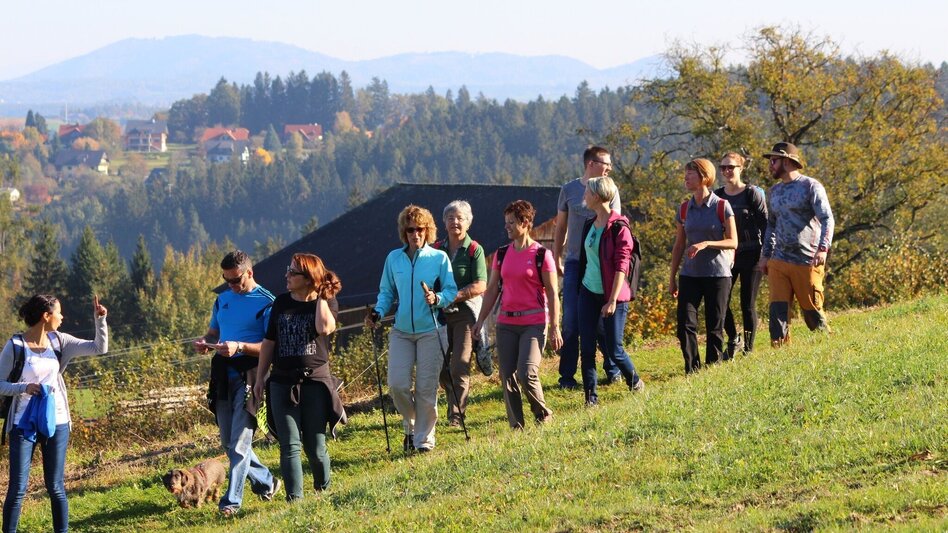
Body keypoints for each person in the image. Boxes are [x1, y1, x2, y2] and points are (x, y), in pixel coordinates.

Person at [1, 294, 108, 533]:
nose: (62, 317)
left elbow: (99, 348)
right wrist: (23, 388)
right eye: (58, 312)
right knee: (18, 488)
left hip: (56, 421)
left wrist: (100, 320)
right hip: (22, 424)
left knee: (56, 487)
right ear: (45, 316)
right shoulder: (15, 346)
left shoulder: (60, 341)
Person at [254, 253, 346, 498]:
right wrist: (261, 378)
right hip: (282, 382)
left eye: (293, 272)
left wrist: (321, 298)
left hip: (315, 383)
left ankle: (322, 491)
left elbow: (324, 328)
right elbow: (269, 341)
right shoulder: (281, 303)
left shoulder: (327, 302)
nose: (287, 275)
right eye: (288, 270)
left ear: (309, 278)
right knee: (289, 445)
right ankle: (295, 500)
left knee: (315, 446)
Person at [365, 205, 457, 453]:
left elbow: (450, 290)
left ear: (427, 231)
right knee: (397, 385)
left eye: (419, 229)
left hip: (432, 330)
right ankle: (412, 423)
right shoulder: (393, 258)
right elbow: (386, 293)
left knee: (426, 389)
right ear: (403, 232)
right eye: (410, 230)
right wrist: (378, 312)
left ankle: (423, 442)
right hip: (402, 332)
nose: (415, 234)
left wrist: (436, 299)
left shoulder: (439, 258)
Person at [195, 250, 280, 516]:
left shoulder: (267, 302)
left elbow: (270, 346)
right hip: (222, 373)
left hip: (251, 374)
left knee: (241, 444)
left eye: (236, 280)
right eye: (226, 280)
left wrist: (240, 346)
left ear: (249, 273)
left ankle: (231, 502)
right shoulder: (223, 300)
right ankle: (267, 481)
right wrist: (205, 343)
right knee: (228, 443)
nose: (231, 285)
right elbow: (214, 331)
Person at [474, 200, 562, 428]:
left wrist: (555, 327)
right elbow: (492, 289)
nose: (507, 227)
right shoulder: (502, 254)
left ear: (525, 223)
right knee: (507, 376)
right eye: (506, 223)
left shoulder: (542, 255)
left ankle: (543, 414)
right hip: (506, 323)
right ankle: (517, 426)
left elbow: (553, 293)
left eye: (511, 222)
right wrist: (481, 320)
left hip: (534, 323)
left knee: (526, 372)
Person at [552, 145, 621, 389]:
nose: (610, 168)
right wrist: (556, 256)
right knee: (571, 319)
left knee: (602, 318)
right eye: (606, 163)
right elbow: (560, 227)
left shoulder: (610, 189)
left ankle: (612, 368)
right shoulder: (569, 190)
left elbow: (616, 225)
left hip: (599, 264)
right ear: (591, 163)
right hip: (574, 262)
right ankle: (567, 377)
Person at [756, 142, 835, 346]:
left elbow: (827, 219)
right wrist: (765, 256)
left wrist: (823, 249)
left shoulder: (810, 187)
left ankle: (827, 347)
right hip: (778, 261)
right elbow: (771, 225)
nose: (770, 165)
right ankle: (780, 353)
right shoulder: (773, 192)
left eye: (774, 160)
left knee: (812, 312)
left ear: (788, 161)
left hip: (807, 260)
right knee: (777, 311)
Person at [576, 177, 645, 406]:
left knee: (614, 350)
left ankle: (635, 381)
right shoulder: (589, 223)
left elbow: (621, 267)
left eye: (587, 191)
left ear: (597, 196)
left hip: (613, 295)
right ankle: (591, 399)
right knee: (586, 347)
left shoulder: (619, 228)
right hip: (588, 291)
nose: (584, 195)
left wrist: (612, 300)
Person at [669, 158, 737, 374]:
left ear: (704, 176)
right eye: (686, 173)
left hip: (718, 275)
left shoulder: (721, 206)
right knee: (685, 325)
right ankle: (692, 369)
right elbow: (679, 245)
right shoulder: (683, 209)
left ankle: (713, 369)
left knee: (715, 326)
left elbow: (733, 241)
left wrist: (707, 243)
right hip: (690, 274)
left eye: (691, 173)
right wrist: (672, 277)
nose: (686, 177)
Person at [434, 200, 487, 427]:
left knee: (459, 364)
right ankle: (452, 395)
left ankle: (457, 415)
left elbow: (481, 285)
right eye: (451, 218)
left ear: (468, 222)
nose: (455, 222)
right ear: (444, 222)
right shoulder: (435, 249)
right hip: (439, 315)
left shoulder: (474, 249)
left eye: (460, 218)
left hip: (465, 312)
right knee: (440, 366)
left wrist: (453, 296)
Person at [714, 152, 768, 357]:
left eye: (731, 167)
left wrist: (766, 254)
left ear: (741, 168)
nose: (727, 171)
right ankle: (734, 338)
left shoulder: (751, 193)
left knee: (747, 302)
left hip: (752, 254)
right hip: (728, 256)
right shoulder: (718, 195)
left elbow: (765, 225)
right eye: (723, 167)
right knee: (722, 301)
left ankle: (749, 347)